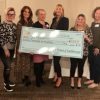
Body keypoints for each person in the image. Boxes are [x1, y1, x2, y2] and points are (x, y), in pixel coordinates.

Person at [70, 14, 92, 89]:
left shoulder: (88, 29)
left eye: (82, 19)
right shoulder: (72, 29)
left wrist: (86, 37)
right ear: (77, 20)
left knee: (80, 67)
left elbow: (91, 42)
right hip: (73, 52)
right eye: (79, 19)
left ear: (84, 20)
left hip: (83, 52)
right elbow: (68, 40)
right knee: (73, 66)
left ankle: (79, 81)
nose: (80, 20)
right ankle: (72, 80)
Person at [50, 4, 69, 88]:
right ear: (55, 10)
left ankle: (60, 78)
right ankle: (57, 75)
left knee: (56, 61)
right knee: (55, 60)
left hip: (60, 43)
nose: (58, 10)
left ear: (62, 11)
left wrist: (54, 33)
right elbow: (51, 30)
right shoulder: (53, 19)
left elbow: (64, 30)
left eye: (60, 9)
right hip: (53, 43)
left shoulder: (65, 19)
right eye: (57, 9)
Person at [15, 6, 33, 86]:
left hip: (29, 46)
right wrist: (20, 48)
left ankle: (27, 77)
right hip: (21, 46)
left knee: (28, 63)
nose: (26, 13)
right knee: (22, 63)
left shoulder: (31, 22)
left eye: (28, 12)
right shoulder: (19, 23)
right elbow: (18, 36)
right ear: (22, 13)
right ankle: (22, 78)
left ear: (30, 14)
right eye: (25, 11)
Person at [0, 7, 16, 92]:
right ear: (6, 15)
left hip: (12, 49)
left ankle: (8, 80)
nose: (10, 15)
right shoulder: (2, 24)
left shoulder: (14, 25)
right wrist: (5, 49)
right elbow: (1, 38)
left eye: (12, 14)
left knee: (9, 66)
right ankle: (6, 84)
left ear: (14, 15)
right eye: (9, 14)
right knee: (8, 67)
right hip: (4, 49)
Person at [33, 9, 49, 87]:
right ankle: (37, 79)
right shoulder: (35, 25)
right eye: (41, 14)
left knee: (42, 63)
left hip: (45, 48)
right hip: (37, 48)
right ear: (37, 15)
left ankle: (41, 78)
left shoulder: (47, 24)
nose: (43, 16)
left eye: (44, 14)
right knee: (37, 64)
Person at [85, 7, 100, 88]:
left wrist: (99, 48)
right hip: (91, 47)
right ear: (94, 13)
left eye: (99, 13)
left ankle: (96, 82)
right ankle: (92, 79)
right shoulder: (92, 23)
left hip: (98, 49)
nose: (98, 15)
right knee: (91, 63)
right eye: (96, 13)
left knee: (97, 65)